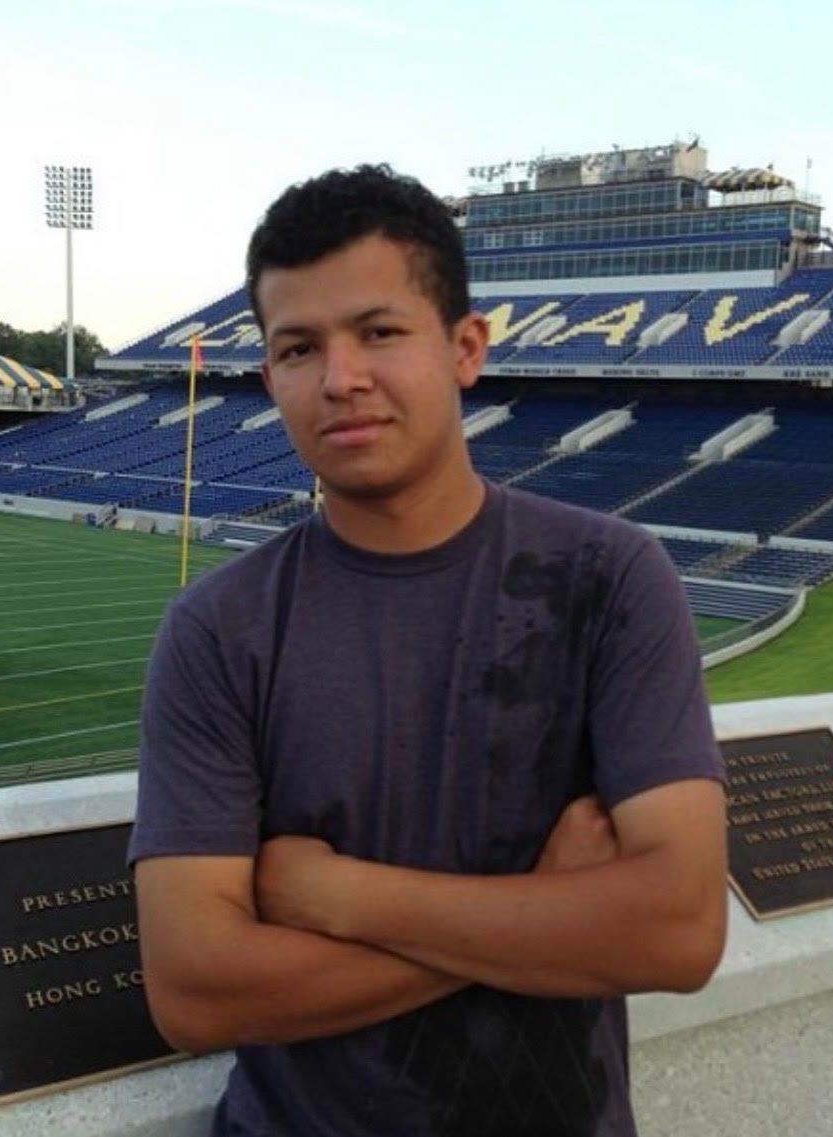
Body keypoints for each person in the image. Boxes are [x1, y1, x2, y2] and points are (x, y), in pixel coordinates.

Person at [130, 164, 728, 1137]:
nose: (340, 379)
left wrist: (335, 894)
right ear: (270, 374)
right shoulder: (217, 630)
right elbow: (196, 991)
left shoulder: (612, 578)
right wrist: (547, 908)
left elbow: (677, 930)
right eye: (297, 348)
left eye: (378, 332)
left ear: (464, 348)